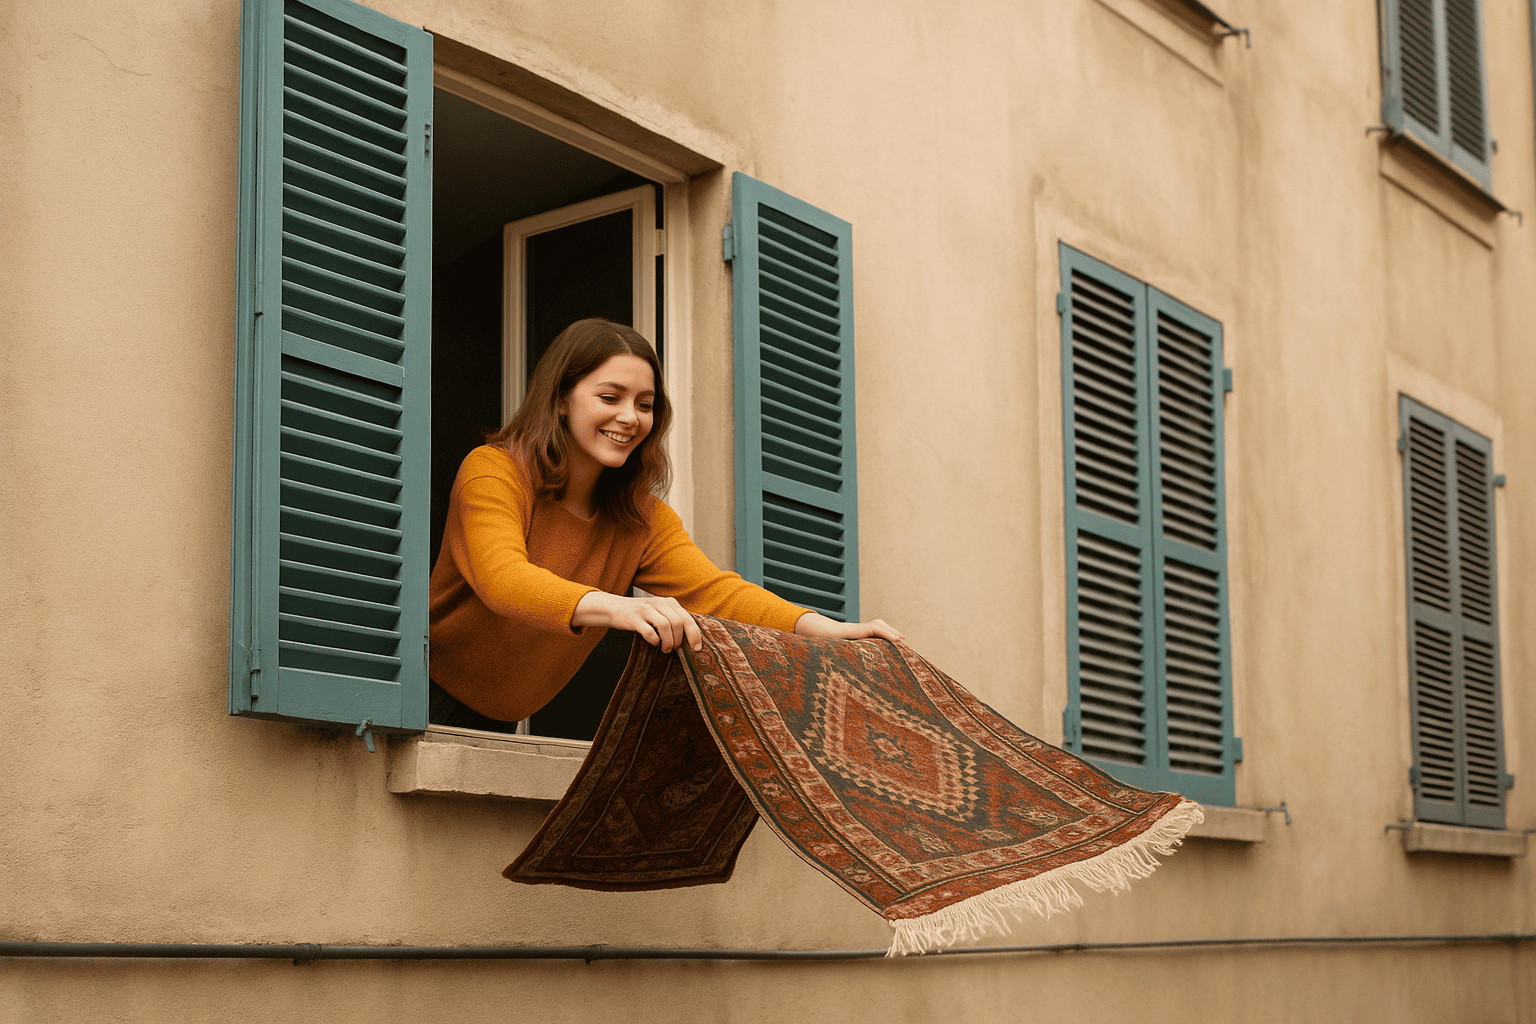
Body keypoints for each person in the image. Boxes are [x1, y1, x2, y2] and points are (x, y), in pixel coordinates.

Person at [428, 317, 903, 730]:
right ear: (560, 400)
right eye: (610, 397)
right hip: (422, 698)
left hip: (503, 718)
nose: (629, 417)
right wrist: (622, 609)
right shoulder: (494, 471)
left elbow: (718, 592)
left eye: (645, 403)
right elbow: (502, 579)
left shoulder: (641, 519)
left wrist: (822, 628)